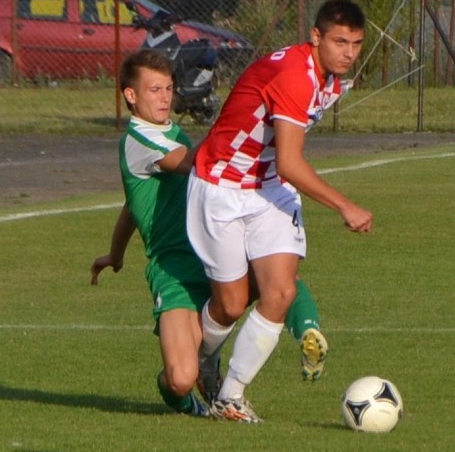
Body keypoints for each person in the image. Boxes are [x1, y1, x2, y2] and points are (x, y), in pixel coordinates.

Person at [91, 49, 330, 420]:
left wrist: (115, 254)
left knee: (279, 280)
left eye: (168, 88)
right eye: (154, 89)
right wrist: (241, 129)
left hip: (211, 251)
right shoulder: (139, 141)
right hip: (174, 273)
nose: (165, 97)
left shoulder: (172, 131)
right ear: (131, 95)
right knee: (181, 379)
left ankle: (308, 334)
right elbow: (193, 163)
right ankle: (185, 400)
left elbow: (132, 206)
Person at [186, 0, 372, 424]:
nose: (348, 52)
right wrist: (344, 206)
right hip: (221, 186)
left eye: (356, 44)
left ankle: (231, 395)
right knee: (231, 305)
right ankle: (205, 357)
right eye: (340, 41)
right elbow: (290, 160)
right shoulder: (294, 75)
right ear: (316, 37)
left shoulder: (330, 76)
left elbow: (280, 166)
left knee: (281, 292)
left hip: (269, 188)